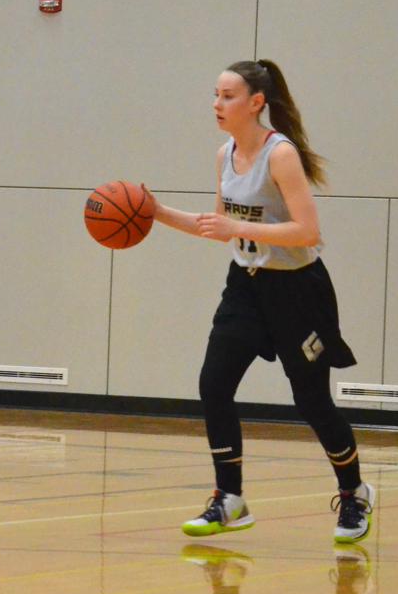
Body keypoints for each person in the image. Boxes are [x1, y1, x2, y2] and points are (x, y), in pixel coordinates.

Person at [149, 59, 374, 543]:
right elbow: (217, 226)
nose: (216, 103)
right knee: (214, 384)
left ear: (256, 103)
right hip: (246, 286)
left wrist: (239, 228)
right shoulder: (224, 154)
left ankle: (354, 493)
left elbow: (307, 232)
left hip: (298, 291)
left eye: (228, 95)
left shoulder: (281, 155)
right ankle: (230, 498)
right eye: (215, 94)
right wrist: (157, 212)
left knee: (312, 401)